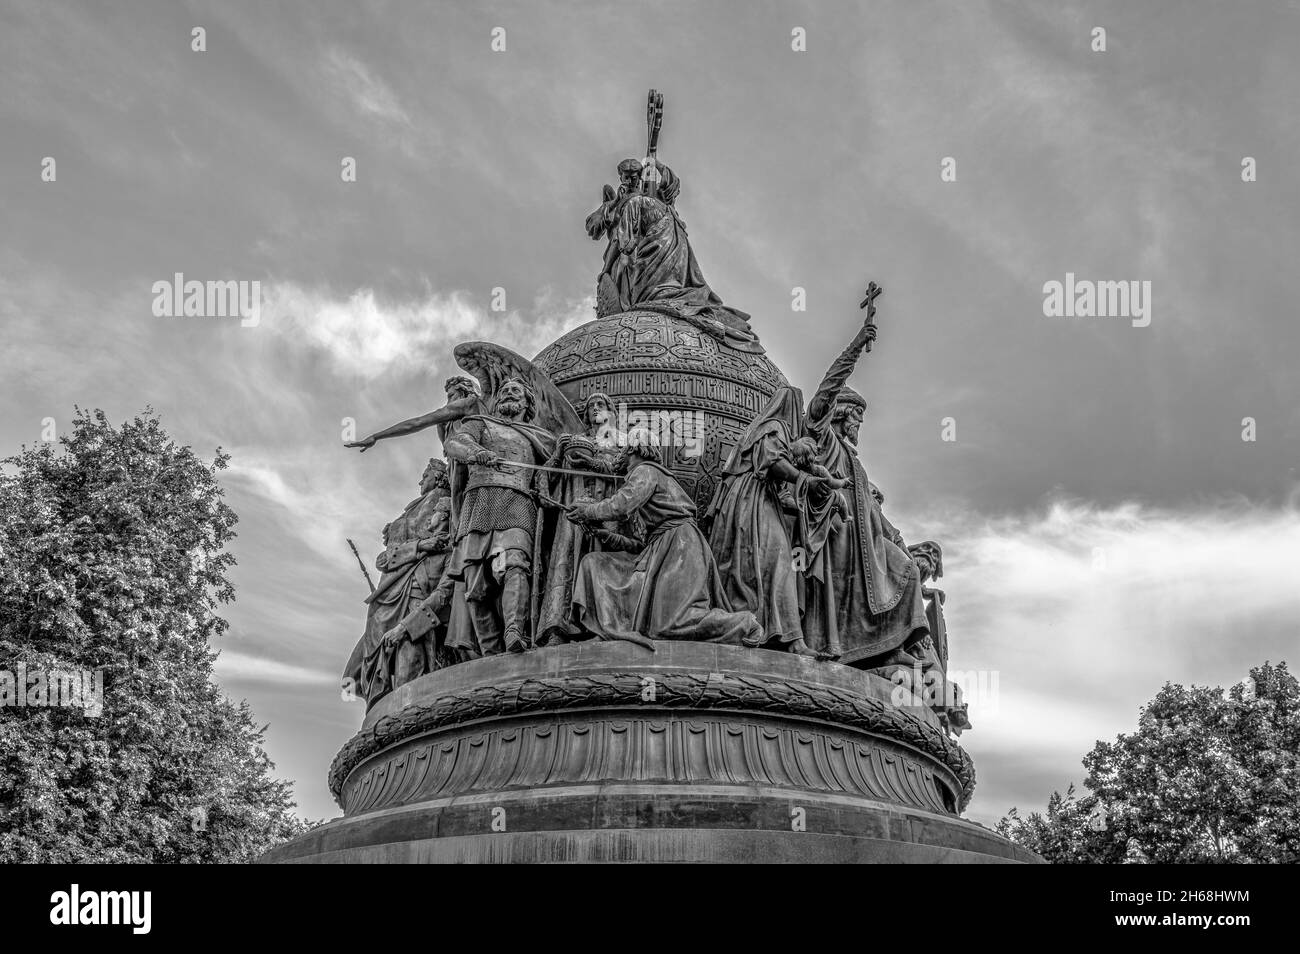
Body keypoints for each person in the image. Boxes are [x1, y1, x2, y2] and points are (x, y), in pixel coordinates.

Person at [801, 315, 930, 667]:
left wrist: (897, 539)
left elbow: (874, 512)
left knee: (907, 569)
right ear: (842, 416)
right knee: (863, 583)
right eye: (856, 419)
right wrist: (857, 347)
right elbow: (825, 391)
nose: (859, 426)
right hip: (838, 536)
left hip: (867, 541)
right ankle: (863, 648)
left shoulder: (855, 462)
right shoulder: (824, 439)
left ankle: (890, 645)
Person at [566, 431, 761, 648]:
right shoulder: (649, 477)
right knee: (594, 563)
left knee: (673, 622)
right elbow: (643, 545)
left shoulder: (645, 471)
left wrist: (588, 511)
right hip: (662, 551)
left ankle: (744, 624)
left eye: (623, 449)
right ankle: (602, 629)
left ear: (632, 448)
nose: (619, 454)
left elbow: (621, 506)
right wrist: (610, 537)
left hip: (680, 548)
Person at [442, 379, 557, 654]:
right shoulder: (481, 423)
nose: (508, 393)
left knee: (514, 564)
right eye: (504, 390)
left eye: (515, 391)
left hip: (517, 503)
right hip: (479, 502)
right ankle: (490, 651)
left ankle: (514, 631)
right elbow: (455, 441)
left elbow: (552, 465)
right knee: (475, 585)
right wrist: (476, 451)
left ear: (527, 403)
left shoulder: (539, 437)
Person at [707, 386, 824, 654]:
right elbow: (773, 463)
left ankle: (784, 635)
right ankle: (782, 637)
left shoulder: (767, 428)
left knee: (777, 563)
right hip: (751, 501)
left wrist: (808, 503)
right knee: (779, 560)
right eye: (800, 408)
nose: (801, 415)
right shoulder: (775, 426)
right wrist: (806, 479)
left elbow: (781, 488)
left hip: (757, 498)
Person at [342, 459, 452, 707]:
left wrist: (401, 543)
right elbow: (384, 559)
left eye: (425, 476)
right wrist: (413, 544)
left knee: (407, 672)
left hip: (413, 593)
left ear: (438, 477)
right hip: (388, 595)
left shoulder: (439, 498)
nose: (420, 481)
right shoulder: (415, 510)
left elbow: (393, 556)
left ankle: (400, 714)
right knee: (352, 675)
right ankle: (383, 713)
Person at [535, 392, 626, 646]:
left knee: (603, 559)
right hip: (572, 509)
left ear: (611, 412)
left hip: (607, 509)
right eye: (590, 406)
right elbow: (545, 478)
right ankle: (558, 626)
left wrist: (593, 463)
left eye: (601, 405)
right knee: (565, 561)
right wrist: (558, 453)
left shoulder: (623, 441)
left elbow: (630, 471)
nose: (595, 409)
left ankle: (604, 624)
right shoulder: (575, 440)